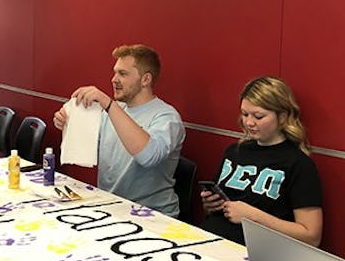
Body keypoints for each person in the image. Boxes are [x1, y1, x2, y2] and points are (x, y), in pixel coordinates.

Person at [53, 44, 185, 216]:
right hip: (112, 207)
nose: (114, 79)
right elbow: (88, 147)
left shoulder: (167, 118)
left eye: (122, 74)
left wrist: (108, 104)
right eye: (115, 72)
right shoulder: (114, 112)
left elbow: (148, 156)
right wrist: (68, 124)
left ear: (145, 80)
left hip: (153, 216)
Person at [200, 77, 323, 246]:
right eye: (245, 114)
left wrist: (253, 217)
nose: (249, 122)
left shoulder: (298, 164)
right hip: (210, 240)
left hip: (253, 251)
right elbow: (214, 210)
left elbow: (311, 236)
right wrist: (210, 204)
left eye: (259, 116)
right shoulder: (234, 151)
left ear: (282, 116)